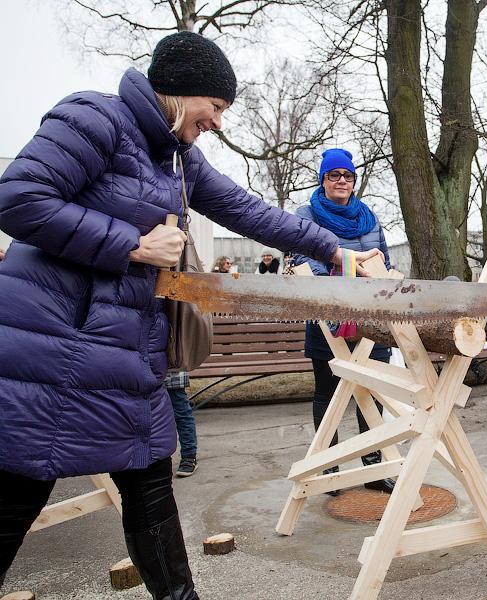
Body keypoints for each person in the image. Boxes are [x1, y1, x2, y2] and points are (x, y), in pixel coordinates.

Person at [0, 32, 380, 599]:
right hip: (53, 351)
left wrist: (334, 251)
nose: (219, 122)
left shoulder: (178, 159)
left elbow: (248, 211)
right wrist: (131, 244)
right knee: (21, 489)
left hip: (126, 352)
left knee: (151, 481)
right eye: (216, 106)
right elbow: (18, 198)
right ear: (179, 90)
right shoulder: (94, 118)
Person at [291, 148, 394, 495]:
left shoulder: (368, 216)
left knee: (372, 391)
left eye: (347, 175)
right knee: (328, 392)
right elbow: (304, 260)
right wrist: (341, 287)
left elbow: (383, 259)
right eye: (334, 175)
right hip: (328, 317)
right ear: (323, 179)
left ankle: (374, 467)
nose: (341, 181)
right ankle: (329, 468)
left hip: (371, 318)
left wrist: (382, 277)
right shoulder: (306, 214)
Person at [165, 370, 198, 478]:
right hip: (145, 379)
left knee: (182, 416)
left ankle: (189, 456)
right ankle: (156, 459)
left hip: (172, 376)